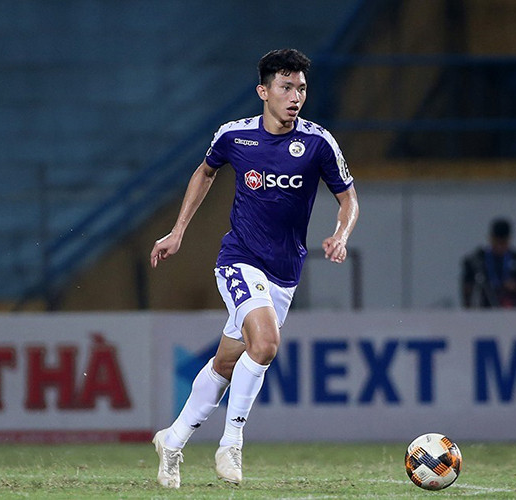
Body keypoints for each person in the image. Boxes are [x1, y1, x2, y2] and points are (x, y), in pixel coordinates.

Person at [149, 48, 359, 488]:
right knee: (264, 345)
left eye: (301, 88)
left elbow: (348, 198)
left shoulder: (318, 142)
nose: (295, 97)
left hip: (284, 273)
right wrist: (178, 230)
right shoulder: (235, 136)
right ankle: (232, 442)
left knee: (226, 363)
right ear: (263, 91)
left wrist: (341, 234)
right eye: (286, 87)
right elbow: (205, 172)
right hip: (239, 260)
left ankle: (173, 440)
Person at [461, 217, 516, 309]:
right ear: (490, 238)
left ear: (509, 239)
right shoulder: (477, 260)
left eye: (503, 242)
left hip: (511, 311)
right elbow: (466, 291)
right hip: (483, 311)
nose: (499, 246)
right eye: (497, 241)